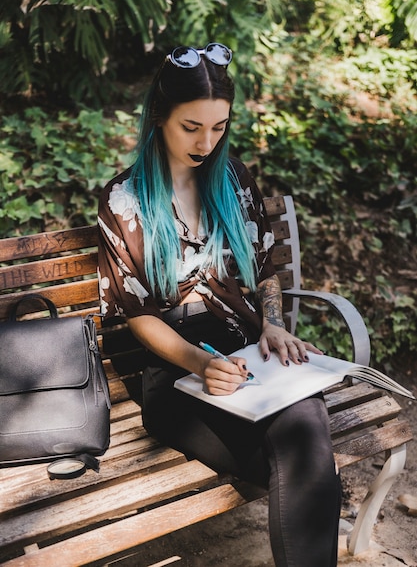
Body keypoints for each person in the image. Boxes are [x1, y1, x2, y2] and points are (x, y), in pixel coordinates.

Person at [97, 42, 341, 566]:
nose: (207, 143)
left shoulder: (233, 181)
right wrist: (203, 363)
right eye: (192, 127)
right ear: (159, 116)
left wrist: (272, 325)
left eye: (220, 127)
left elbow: (267, 269)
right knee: (306, 459)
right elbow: (138, 313)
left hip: (246, 354)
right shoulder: (125, 201)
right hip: (176, 371)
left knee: (304, 435)